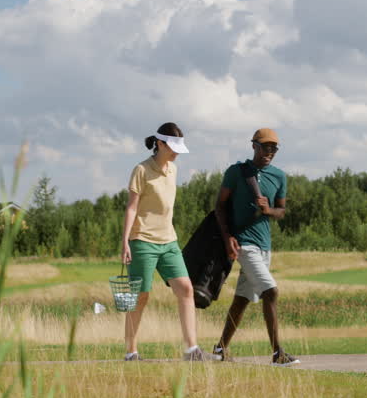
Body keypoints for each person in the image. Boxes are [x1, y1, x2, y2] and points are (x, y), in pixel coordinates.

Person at [212, 127, 300, 366]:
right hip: (244, 244)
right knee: (270, 291)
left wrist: (268, 209)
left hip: (265, 246)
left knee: (241, 299)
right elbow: (219, 206)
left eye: (273, 148)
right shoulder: (236, 172)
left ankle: (220, 348)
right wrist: (228, 236)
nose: (269, 152)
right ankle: (277, 353)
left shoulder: (279, 176)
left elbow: (281, 211)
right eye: (265, 147)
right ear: (254, 146)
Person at [120, 122, 205, 362]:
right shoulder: (141, 170)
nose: (177, 153)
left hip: (169, 241)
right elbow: (131, 207)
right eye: (173, 148)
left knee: (186, 289)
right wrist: (125, 242)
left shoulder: (173, 170)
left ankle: (191, 350)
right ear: (159, 144)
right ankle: (131, 352)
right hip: (142, 241)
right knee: (140, 296)